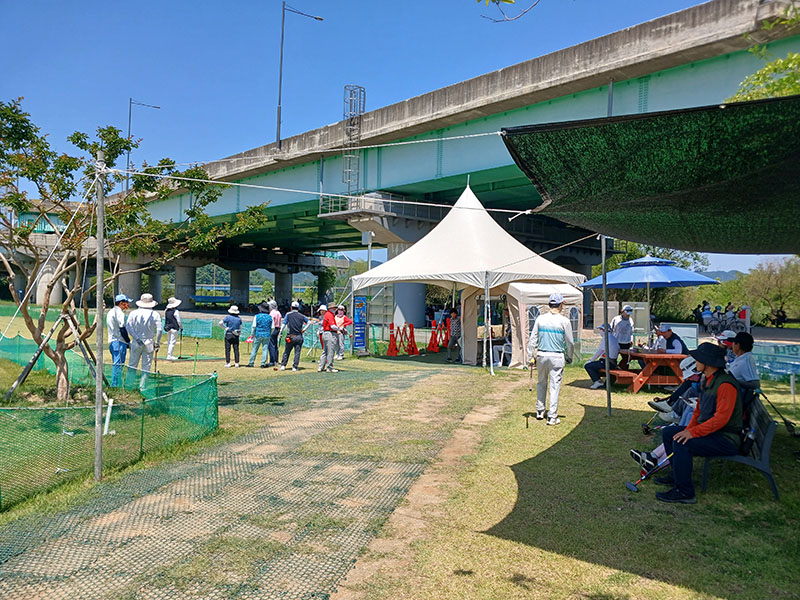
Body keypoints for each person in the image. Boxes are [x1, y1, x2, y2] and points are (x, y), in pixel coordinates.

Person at [654, 342, 742, 504]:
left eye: (698, 360)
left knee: (682, 443)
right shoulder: (708, 380)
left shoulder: (725, 384)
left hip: (726, 439)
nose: (695, 362)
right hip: (714, 433)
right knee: (669, 433)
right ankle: (676, 475)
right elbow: (699, 410)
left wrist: (692, 433)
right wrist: (688, 428)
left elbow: (721, 420)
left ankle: (685, 492)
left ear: (707, 362)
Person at [527, 293, 574, 425]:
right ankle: (552, 416)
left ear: (549, 305)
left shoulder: (540, 319)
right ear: (561, 305)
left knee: (541, 382)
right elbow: (569, 342)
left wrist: (531, 355)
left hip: (541, 355)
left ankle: (540, 411)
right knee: (554, 386)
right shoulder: (564, 321)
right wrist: (569, 356)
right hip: (557, 356)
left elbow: (533, 338)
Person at [125, 293, 163, 387]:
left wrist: (136, 338)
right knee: (146, 366)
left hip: (136, 341)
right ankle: (143, 387)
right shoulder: (155, 314)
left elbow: (128, 327)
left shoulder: (134, 313)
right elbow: (159, 329)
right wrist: (157, 342)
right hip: (149, 341)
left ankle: (129, 385)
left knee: (132, 364)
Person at [584, 323, 620, 390]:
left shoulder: (606, 338)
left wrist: (591, 360)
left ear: (604, 330)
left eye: (601, 329)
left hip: (607, 362)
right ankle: (599, 381)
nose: (600, 331)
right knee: (595, 365)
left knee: (588, 366)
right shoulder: (614, 338)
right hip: (613, 362)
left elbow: (600, 351)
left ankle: (597, 381)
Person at [106, 293, 131, 387]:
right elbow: (122, 328)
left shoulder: (111, 311)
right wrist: (128, 341)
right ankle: (115, 385)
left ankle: (116, 383)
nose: (127, 305)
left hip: (112, 340)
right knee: (118, 364)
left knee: (116, 363)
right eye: (126, 303)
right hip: (119, 341)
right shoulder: (119, 313)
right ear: (121, 303)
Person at [280, 300, 310, 371]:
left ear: (291, 307)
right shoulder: (302, 316)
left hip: (290, 336)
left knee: (287, 351)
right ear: (298, 308)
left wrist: (280, 332)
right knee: (297, 352)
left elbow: (284, 324)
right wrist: (304, 329)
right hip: (299, 336)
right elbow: (309, 322)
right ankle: (295, 367)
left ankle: (283, 365)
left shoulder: (288, 314)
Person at [247, 301, 273, 368]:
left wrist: (252, 335)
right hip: (267, 334)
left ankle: (251, 362)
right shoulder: (270, 317)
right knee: (265, 349)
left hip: (258, 334)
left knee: (254, 349)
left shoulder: (257, 316)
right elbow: (272, 327)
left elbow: (254, 327)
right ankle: (263, 363)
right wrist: (270, 333)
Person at [317, 304, 340, 373]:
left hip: (325, 333)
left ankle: (321, 367)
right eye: (335, 308)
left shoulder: (326, 315)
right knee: (330, 351)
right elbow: (332, 326)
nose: (336, 309)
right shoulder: (330, 315)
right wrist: (340, 329)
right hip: (329, 333)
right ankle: (329, 367)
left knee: (325, 351)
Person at [611, 305, 634, 369]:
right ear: (622, 311)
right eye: (627, 313)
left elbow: (631, 332)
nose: (628, 315)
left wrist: (631, 340)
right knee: (613, 358)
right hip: (616, 342)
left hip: (626, 343)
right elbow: (611, 329)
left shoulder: (631, 321)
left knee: (626, 359)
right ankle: (612, 373)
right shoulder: (616, 319)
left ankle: (622, 370)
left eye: (629, 314)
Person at [164, 296, 182, 361]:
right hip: (174, 328)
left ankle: (169, 354)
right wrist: (181, 327)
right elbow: (178, 321)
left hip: (167, 327)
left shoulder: (166, 310)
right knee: (172, 342)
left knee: (169, 341)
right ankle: (169, 355)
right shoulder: (176, 311)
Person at [267, 300, 282, 367]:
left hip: (272, 329)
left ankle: (272, 361)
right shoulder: (278, 312)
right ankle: (276, 360)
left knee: (271, 345)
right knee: (275, 345)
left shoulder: (271, 313)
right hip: (277, 329)